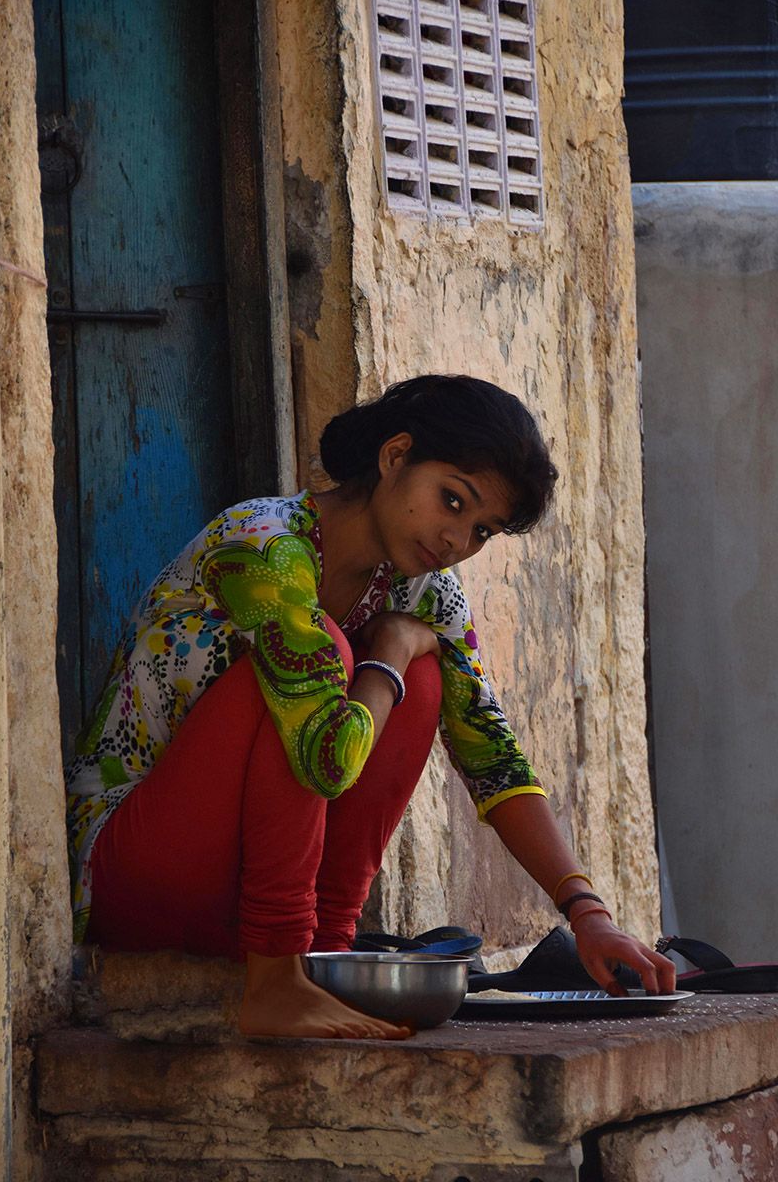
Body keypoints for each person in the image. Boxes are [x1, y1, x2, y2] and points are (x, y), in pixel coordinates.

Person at [65, 374, 675, 1040]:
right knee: (338, 656)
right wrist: (385, 657)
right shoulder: (265, 546)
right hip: (136, 870)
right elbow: (327, 760)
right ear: (395, 457)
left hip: (232, 896)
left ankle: (325, 953)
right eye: (451, 500)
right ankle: (277, 982)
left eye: (481, 531)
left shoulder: (423, 593)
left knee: (429, 679)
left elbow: (494, 761)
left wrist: (590, 915)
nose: (456, 541)